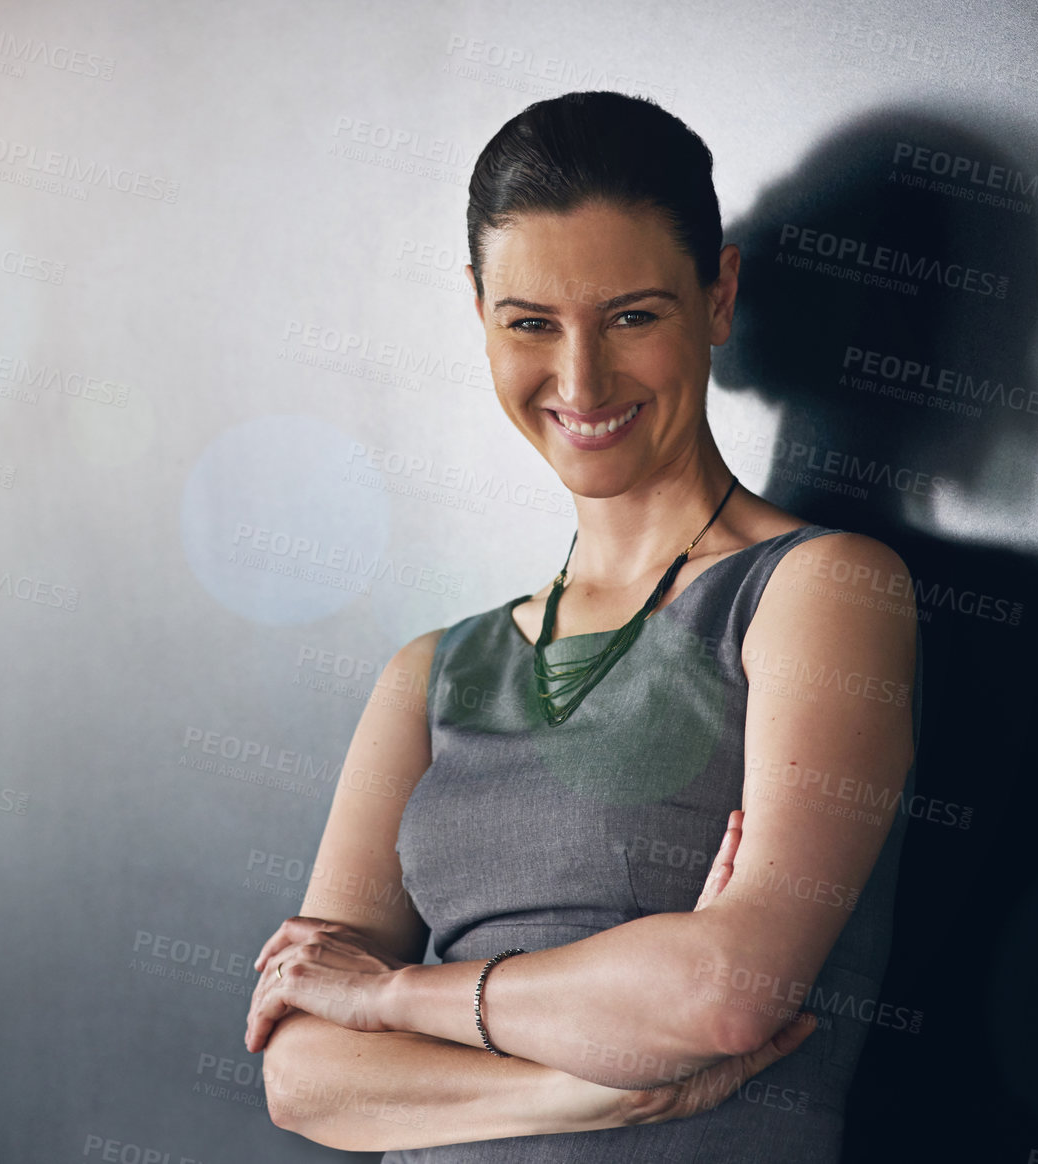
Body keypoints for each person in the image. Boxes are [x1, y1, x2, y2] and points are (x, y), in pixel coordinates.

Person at [242, 91, 922, 1162]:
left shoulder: (819, 592)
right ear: (479, 314)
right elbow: (300, 1073)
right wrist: (599, 1091)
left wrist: (392, 999)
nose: (580, 379)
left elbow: (724, 997)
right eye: (530, 324)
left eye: (632, 316)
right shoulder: (429, 673)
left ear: (720, 295)